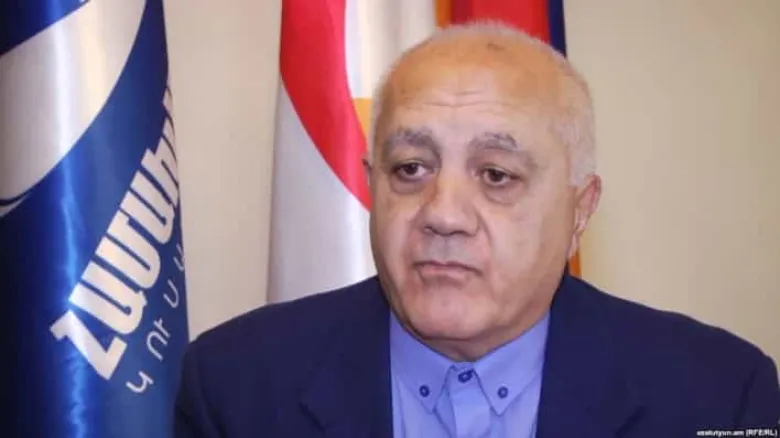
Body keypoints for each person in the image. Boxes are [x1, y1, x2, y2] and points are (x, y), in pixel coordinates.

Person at [174, 23, 780, 438]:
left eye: (496, 175)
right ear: (373, 187)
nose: (443, 214)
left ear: (580, 211)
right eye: (411, 169)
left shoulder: (719, 395)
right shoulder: (236, 384)